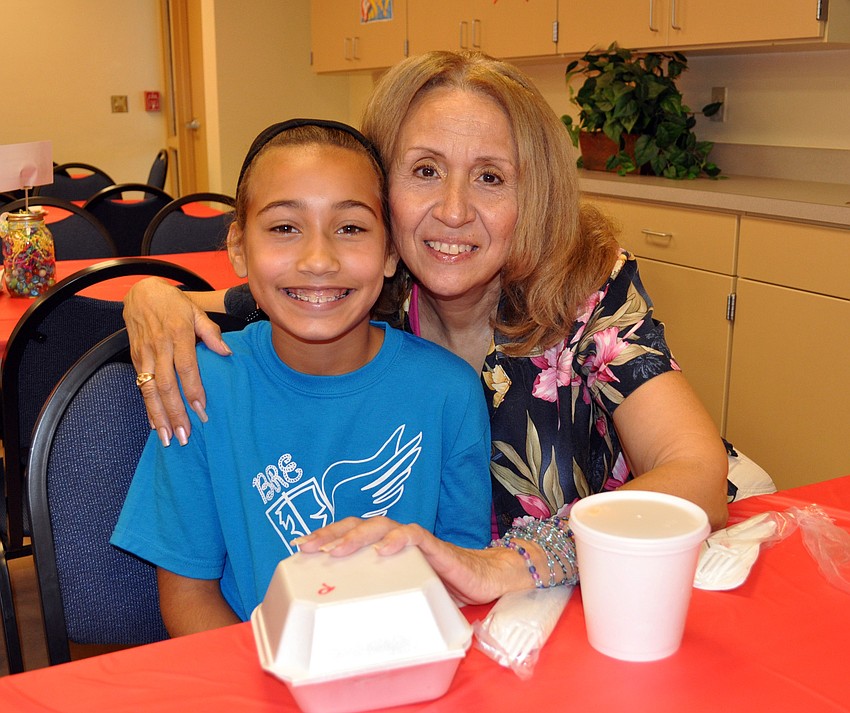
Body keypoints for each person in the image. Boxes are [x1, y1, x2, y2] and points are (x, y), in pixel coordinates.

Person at [122, 51, 729, 607]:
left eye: (491, 177)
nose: (455, 210)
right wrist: (149, 296)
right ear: (382, 191)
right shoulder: (365, 296)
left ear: (534, 195)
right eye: (425, 170)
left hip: (599, 601)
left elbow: (697, 469)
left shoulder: (586, 290)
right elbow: (265, 288)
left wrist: (515, 563)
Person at [111, 119, 492, 635]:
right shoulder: (201, 385)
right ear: (240, 248)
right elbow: (188, 594)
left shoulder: (449, 392)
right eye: (285, 228)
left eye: (351, 228)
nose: (318, 260)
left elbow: (463, 574)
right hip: (255, 672)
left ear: (390, 253)